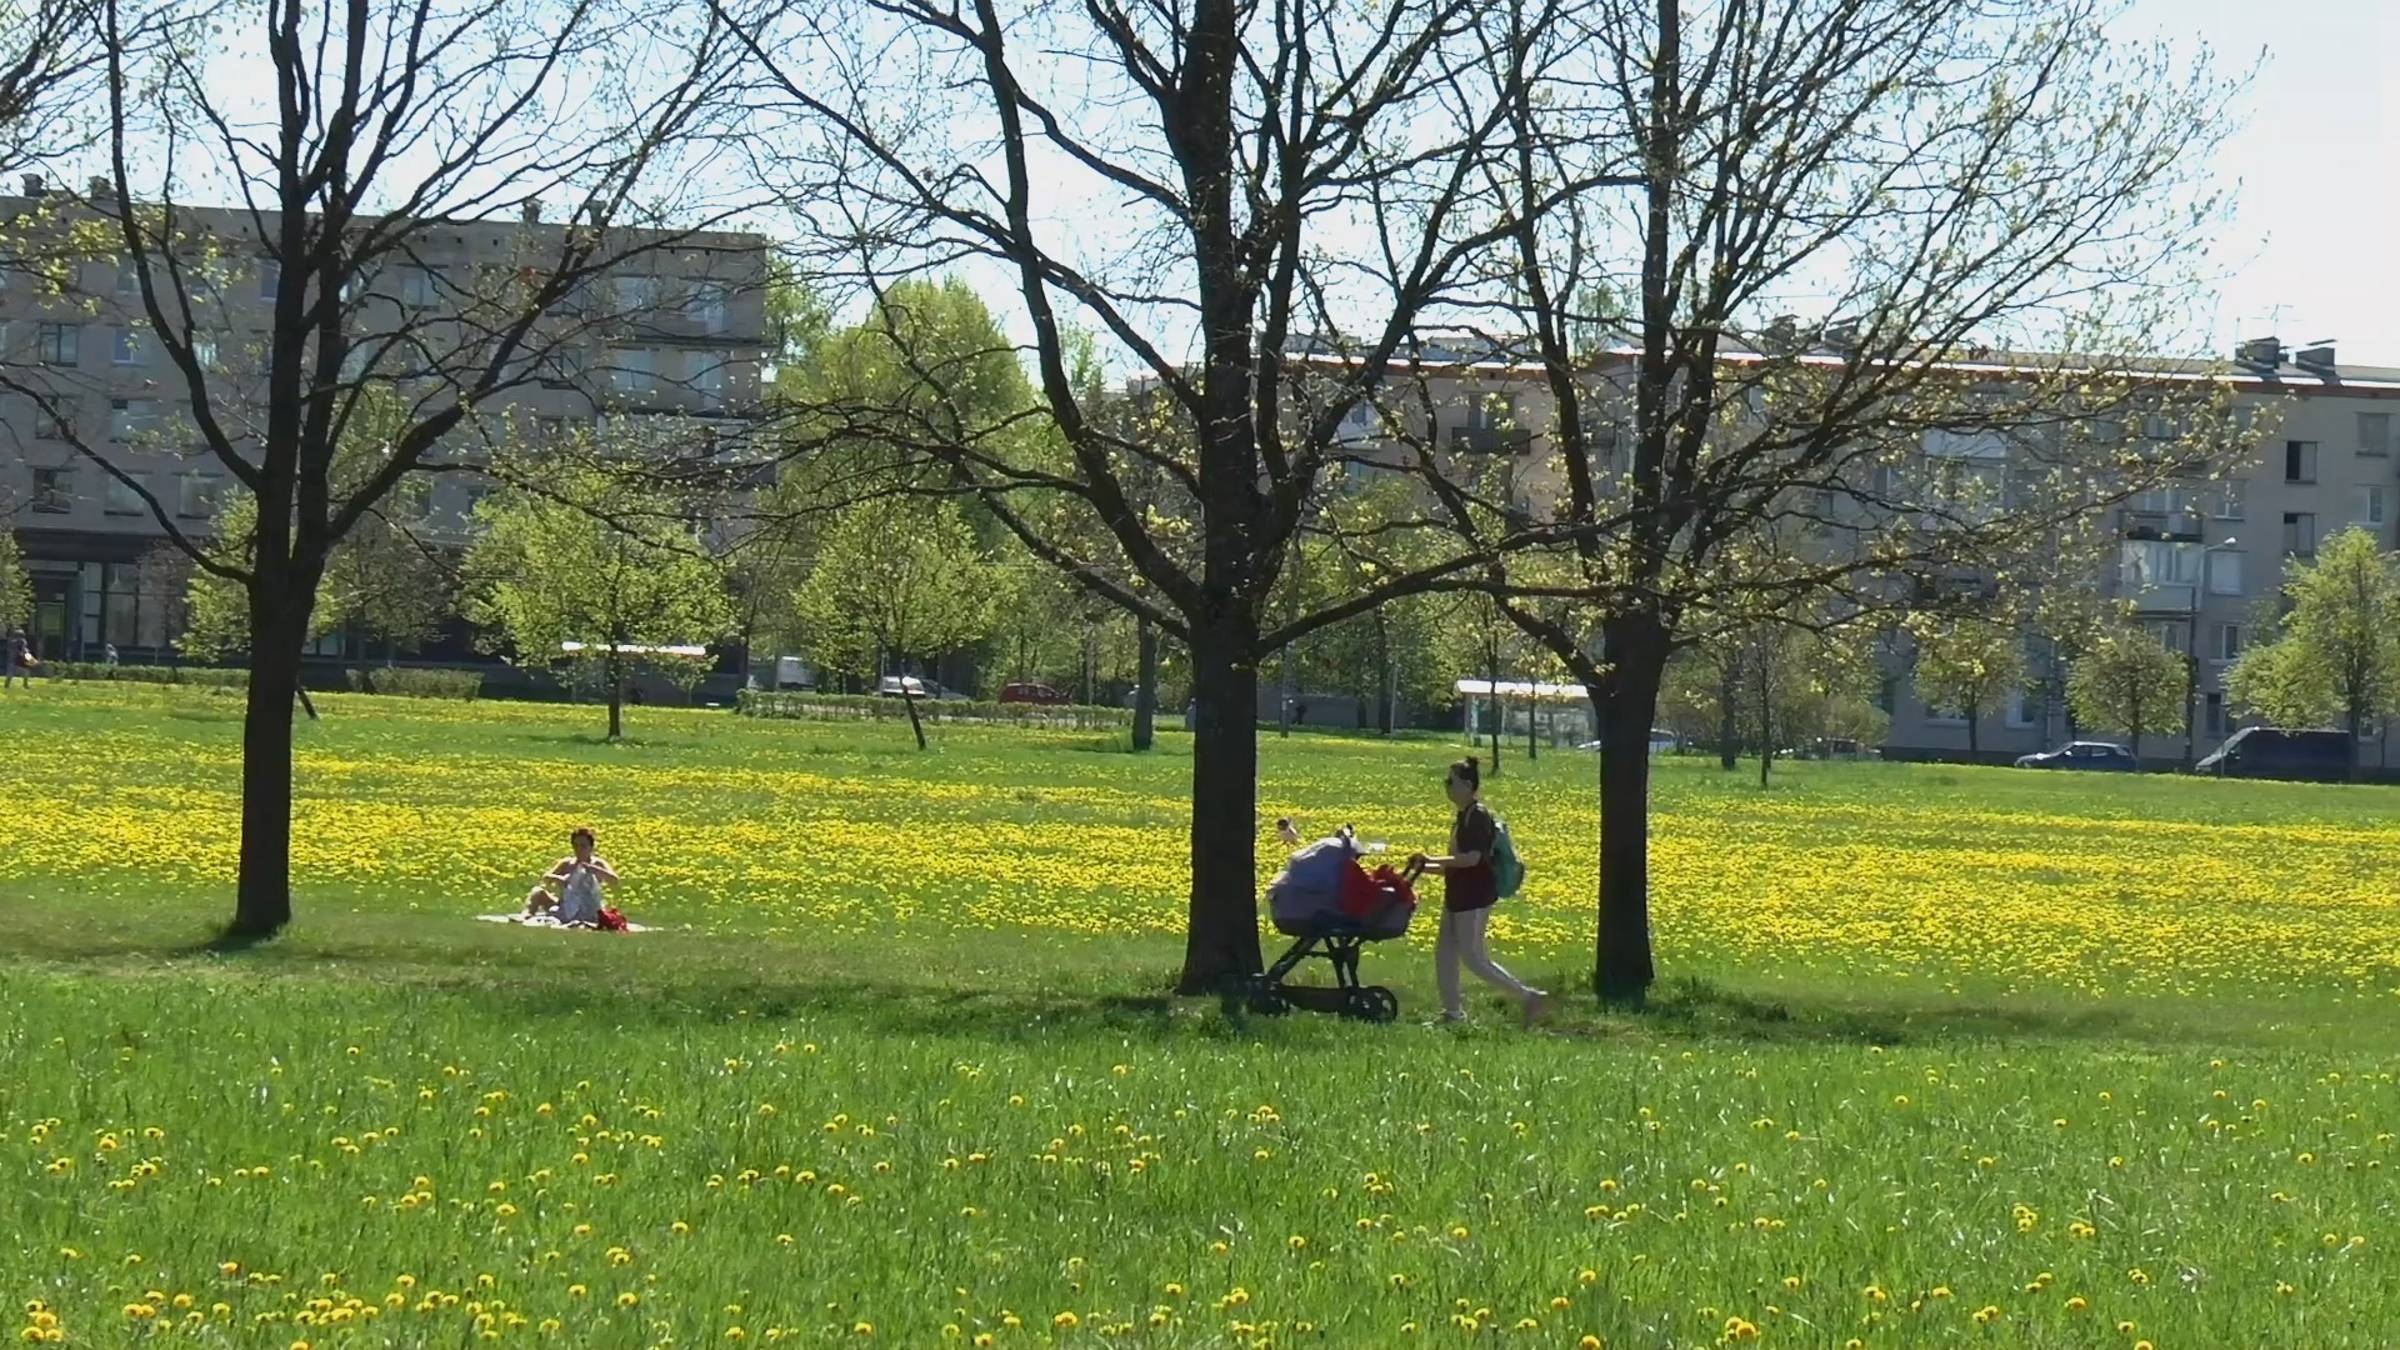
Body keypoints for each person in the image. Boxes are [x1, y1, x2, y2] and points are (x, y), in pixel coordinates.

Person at [1409, 756, 1549, 1027]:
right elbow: (1456, 864)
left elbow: (1472, 859)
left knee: (1473, 958)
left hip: (1474, 897)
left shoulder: (1478, 817)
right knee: (1445, 954)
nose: (1446, 786)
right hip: (1457, 894)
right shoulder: (1462, 817)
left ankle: (1529, 997)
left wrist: (1431, 859)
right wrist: (1425, 866)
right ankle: (1453, 1014)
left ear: (1467, 785)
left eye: (1451, 782)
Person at [523, 827, 620, 925]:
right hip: (564, 906)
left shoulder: (598, 863)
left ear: (591, 847)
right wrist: (559, 879)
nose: (579, 850)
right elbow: (546, 878)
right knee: (537, 892)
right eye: (575, 846)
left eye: (583, 846)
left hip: (588, 909)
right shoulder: (567, 863)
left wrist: (595, 870)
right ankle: (526, 916)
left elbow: (615, 880)